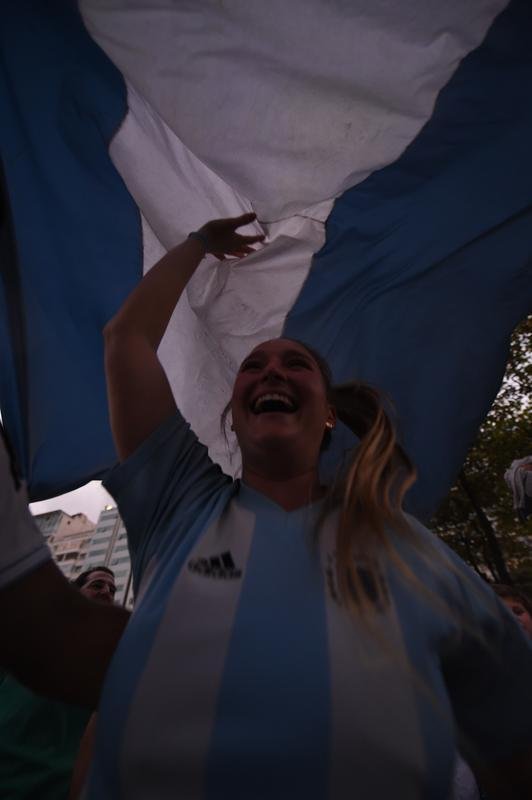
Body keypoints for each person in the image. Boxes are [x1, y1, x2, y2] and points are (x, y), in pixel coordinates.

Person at [1, 214, 532, 798]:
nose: (271, 370)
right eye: (253, 367)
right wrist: (199, 244)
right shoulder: (178, 498)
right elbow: (126, 339)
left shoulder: (409, 549)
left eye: (295, 364)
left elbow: (512, 746)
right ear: (233, 416)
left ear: (327, 415)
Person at [0, 566, 118, 800]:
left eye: (112, 590)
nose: (107, 592)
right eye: (97, 585)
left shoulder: (111, 662)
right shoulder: (28, 637)